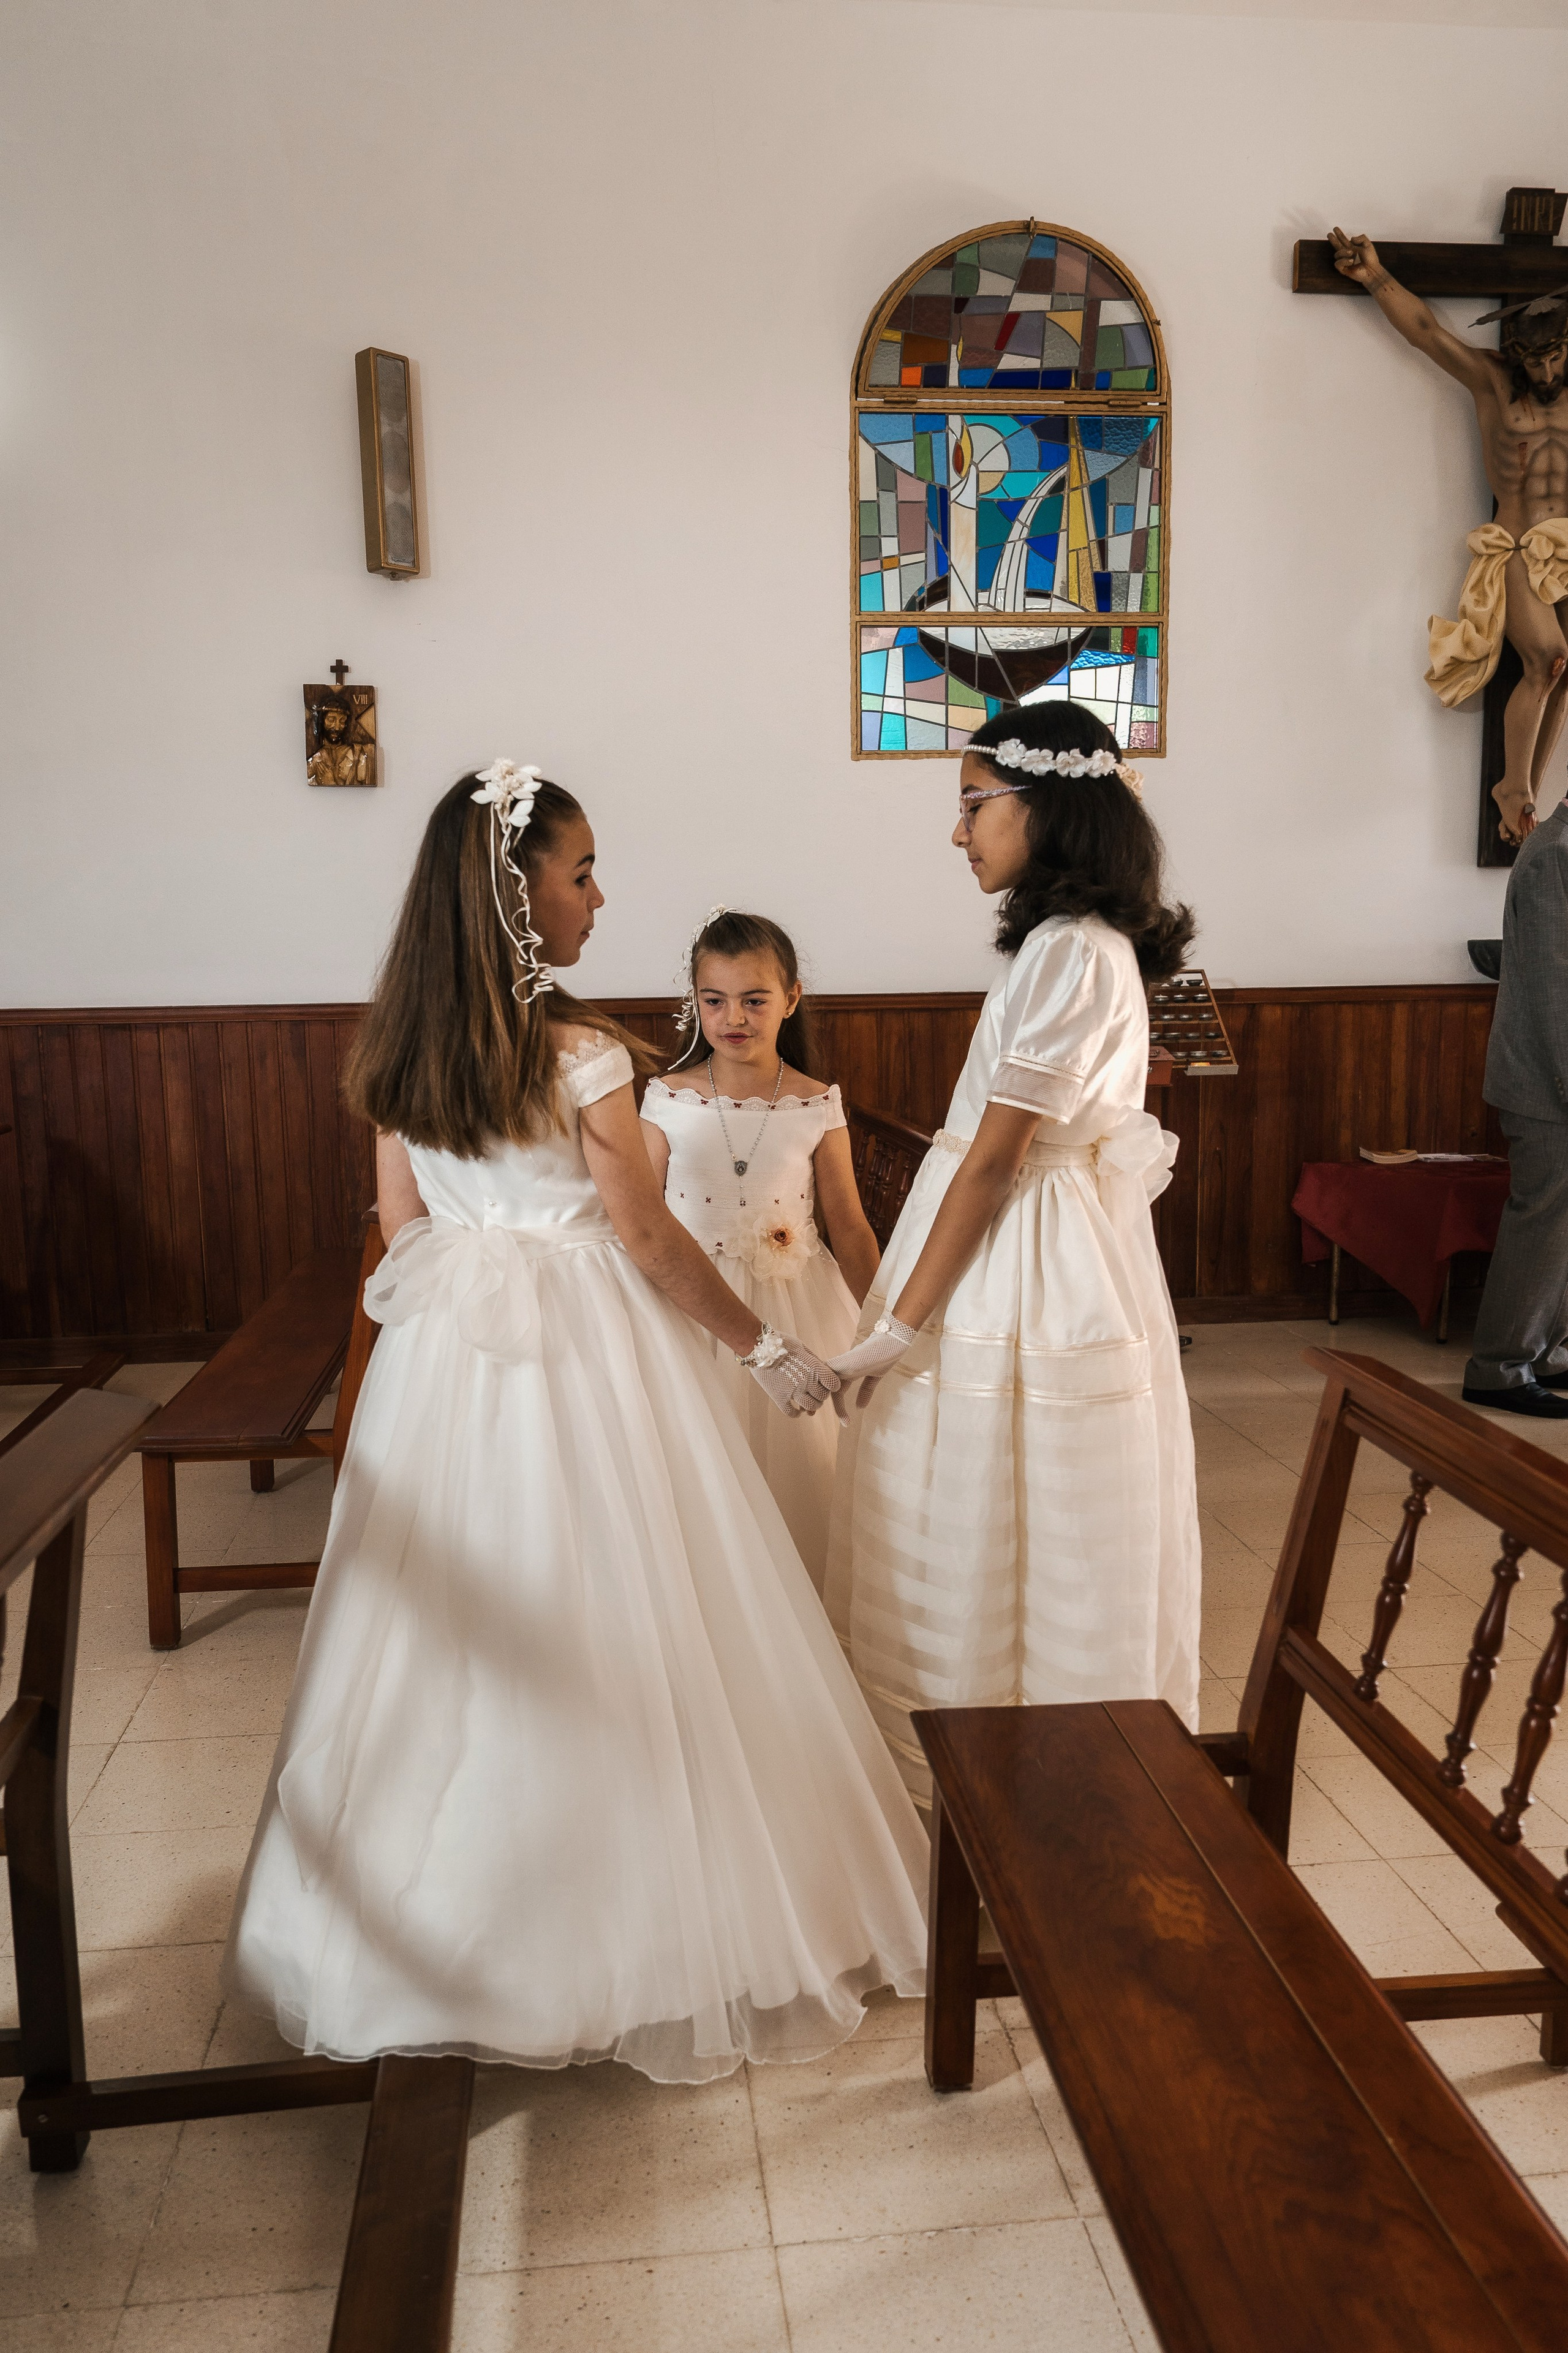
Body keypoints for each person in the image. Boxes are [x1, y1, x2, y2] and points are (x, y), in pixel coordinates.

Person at [225, 761, 928, 2082]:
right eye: (580, 871)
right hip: (591, 1354)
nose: (598, 897)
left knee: (451, 1629)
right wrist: (763, 1345)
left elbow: (402, 1231)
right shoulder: (585, 1051)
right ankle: (646, 1929)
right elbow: (647, 1236)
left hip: (450, 1365)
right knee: (627, 1605)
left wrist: (471, 1301)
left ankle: (425, 1931)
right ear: (515, 892)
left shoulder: (398, 1047)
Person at [824, 704, 1202, 1807]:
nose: (960, 834)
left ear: (1047, 805)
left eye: (971, 803)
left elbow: (993, 1166)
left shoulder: (1068, 952)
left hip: (1026, 1255)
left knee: (998, 1492)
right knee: (998, 1494)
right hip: (1033, 1235)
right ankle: (992, 1762)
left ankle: (1016, 1777)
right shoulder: (1074, 945)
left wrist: (898, 1326)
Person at [641, 909, 877, 1592]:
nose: (732, 1017)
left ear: (791, 999)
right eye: (713, 1001)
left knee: (800, 1462)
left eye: (754, 999)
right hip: (693, 1304)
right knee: (700, 1459)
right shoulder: (666, 1098)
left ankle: (798, 1595)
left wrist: (885, 1320)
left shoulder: (814, 1102)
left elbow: (850, 1225)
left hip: (798, 1304)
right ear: (694, 1002)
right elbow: (639, 1214)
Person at [1328, 230, 1568, 845]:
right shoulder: (1491, 382)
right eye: (1531, 360)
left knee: (1562, 671)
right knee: (1547, 659)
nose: (1542, 370)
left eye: (1553, 358)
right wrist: (1375, 278)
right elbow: (1427, 333)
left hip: (1564, 546)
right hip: (1515, 542)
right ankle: (1511, 785)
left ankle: (1524, 792)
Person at [1463, 795, 1568, 1418]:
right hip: (1546, 1082)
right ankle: (1498, 1366)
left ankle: (1549, 1352)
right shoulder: (1552, 854)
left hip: (1551, 1074)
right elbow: (1555, 986)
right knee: (1542, 1221)